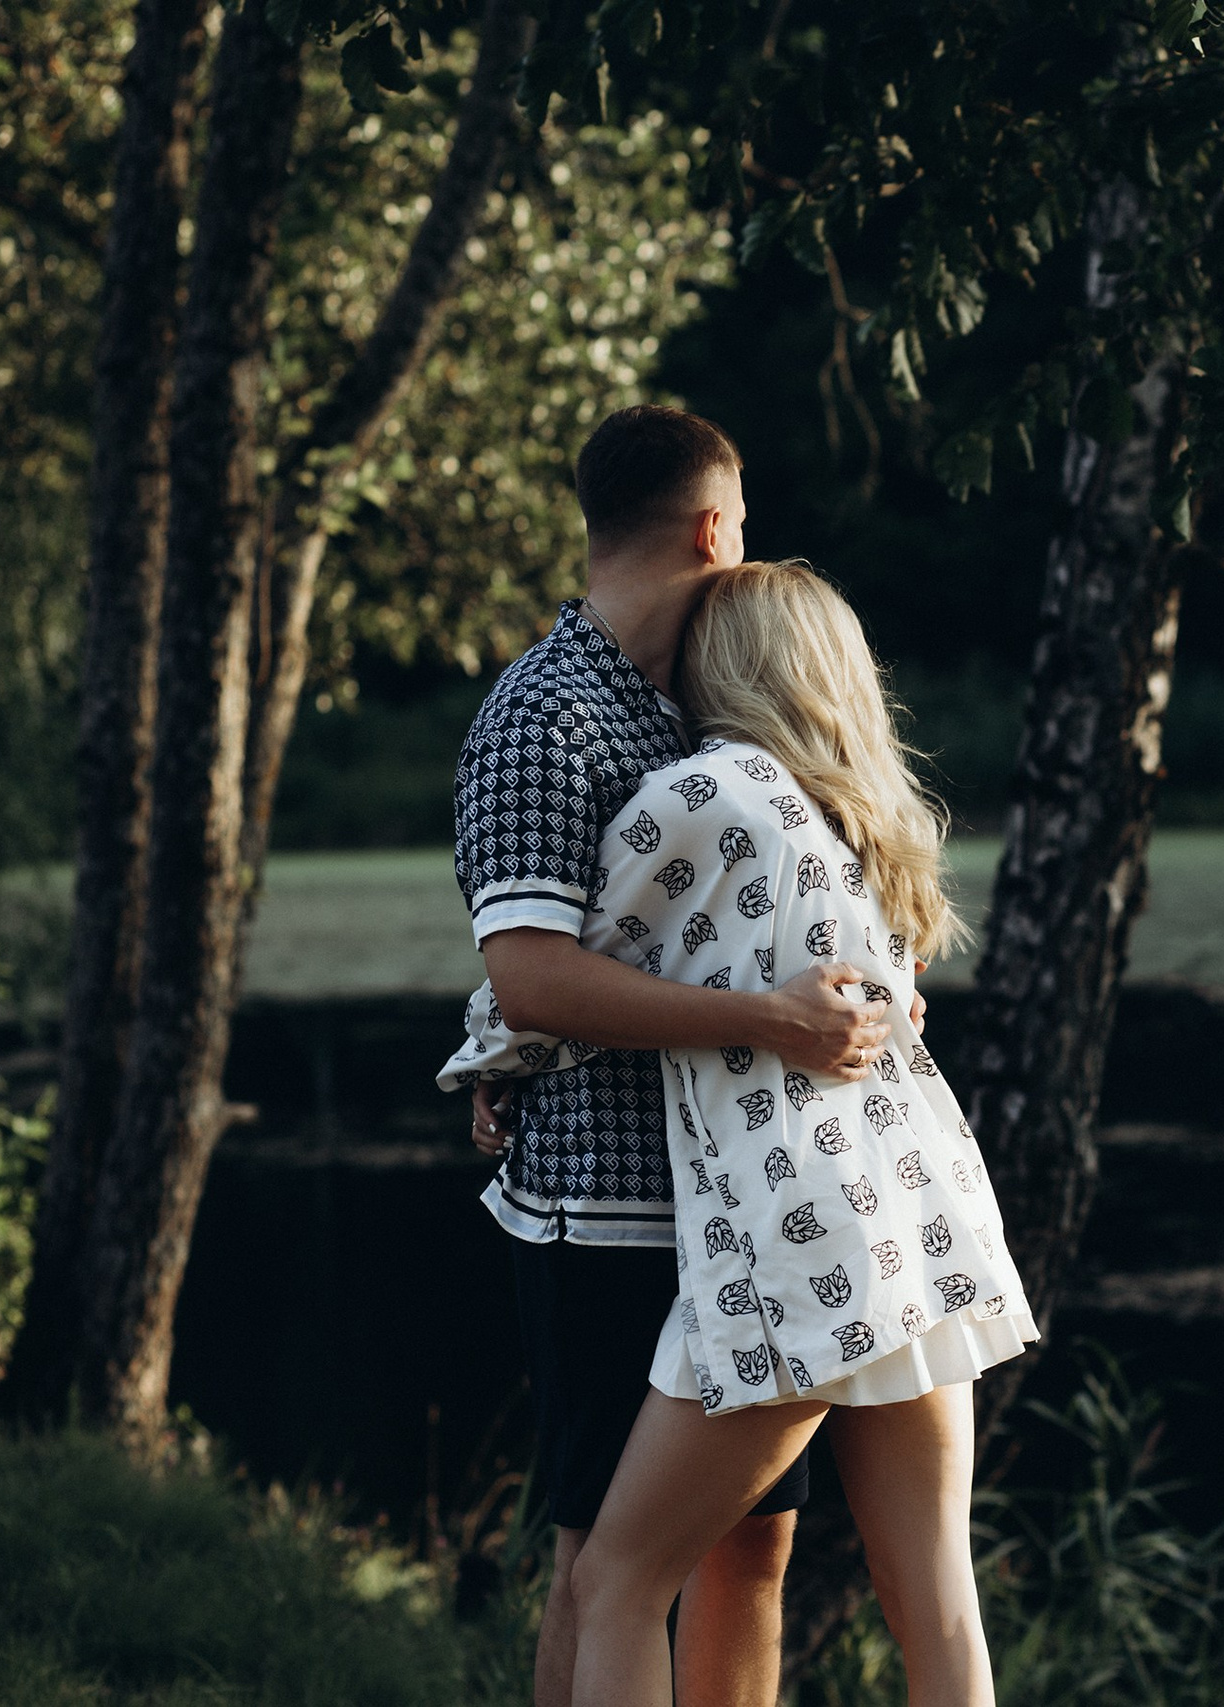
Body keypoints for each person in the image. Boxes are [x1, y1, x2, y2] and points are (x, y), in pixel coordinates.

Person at [444, 560, 1037, 1707]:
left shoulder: (706, 795)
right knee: (937, 1602)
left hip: (799, 1239)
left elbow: (564, 967)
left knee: (618, 1577)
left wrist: (495, 1060)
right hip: (921, 1219)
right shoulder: (869, 819)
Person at [452, 406, 906, 1707]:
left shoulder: (697, 709)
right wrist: (770, 1017)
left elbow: (610, 942)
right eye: (746, 524)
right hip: (608, 1209)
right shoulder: (545, 712)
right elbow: (528, 967)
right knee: (604, 1554)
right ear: (715, 526)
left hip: (749, 1196)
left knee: (753, 1541)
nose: (748, 546)